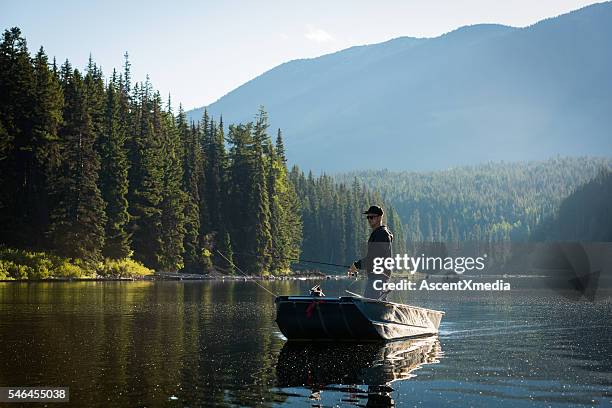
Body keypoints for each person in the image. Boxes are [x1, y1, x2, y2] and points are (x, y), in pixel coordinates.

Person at [348, 205, 394, 299]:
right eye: (368, 217)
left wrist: (357, 265)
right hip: (378, 276)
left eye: (372, 217)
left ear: (380, 217)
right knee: (376, 304)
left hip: (378, 277)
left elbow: (374, 258)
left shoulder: (381, 234)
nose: (369, 219)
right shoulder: (378, 233)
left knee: (370, 303)